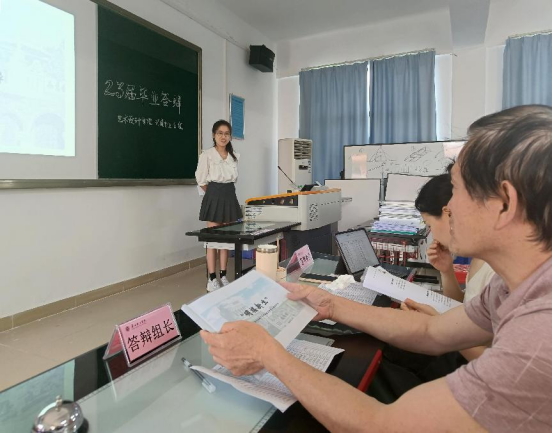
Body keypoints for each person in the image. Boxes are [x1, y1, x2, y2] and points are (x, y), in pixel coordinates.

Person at [201, 106, 552, 432]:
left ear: (505, 204)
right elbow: (432, 331)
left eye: (456, 190)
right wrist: (332, 305)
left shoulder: (538, 340)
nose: (449, 207)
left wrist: (267, 354)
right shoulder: (512, 285)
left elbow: (383, 425)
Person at [195, 120, 242, 292]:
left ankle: (223, 275)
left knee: (226, 239)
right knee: (213, 239)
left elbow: (233, 179)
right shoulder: (207, 155)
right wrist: (213, 196)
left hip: (229, 196)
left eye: (226, 133)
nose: (223, 136)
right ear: (214, 135)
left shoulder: (234, 156)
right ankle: (212, 278)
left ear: (230, 136)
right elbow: (201, 180)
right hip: (214, 196)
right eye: (220, 133)